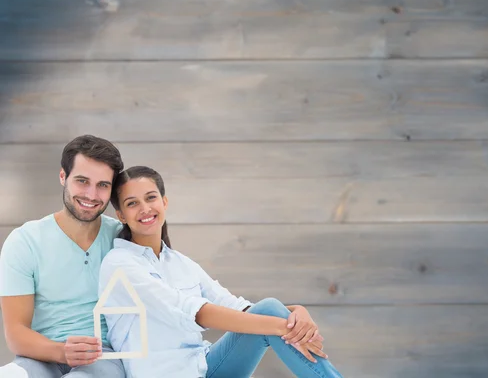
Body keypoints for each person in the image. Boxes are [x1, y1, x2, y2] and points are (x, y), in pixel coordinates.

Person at [100, 166, 344, 378]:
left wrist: (296, 313)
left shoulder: (180, 263)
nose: (144, 208)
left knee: (270, 308)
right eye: (132, 203)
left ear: (164, 202)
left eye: (150, 198)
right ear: (121, 215)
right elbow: (191, 312)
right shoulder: (120, 264)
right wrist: (283, 327)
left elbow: (235, 306)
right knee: (274, 318)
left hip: (205, 367)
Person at [0, 135, 127, 377]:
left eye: (103, 185)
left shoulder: (123, 239)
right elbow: (16, 333)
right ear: (63, 177)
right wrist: (61, 351)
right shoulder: (25, 241)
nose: (91, 194)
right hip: (40, 358)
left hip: (103, 360)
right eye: (82, 181)